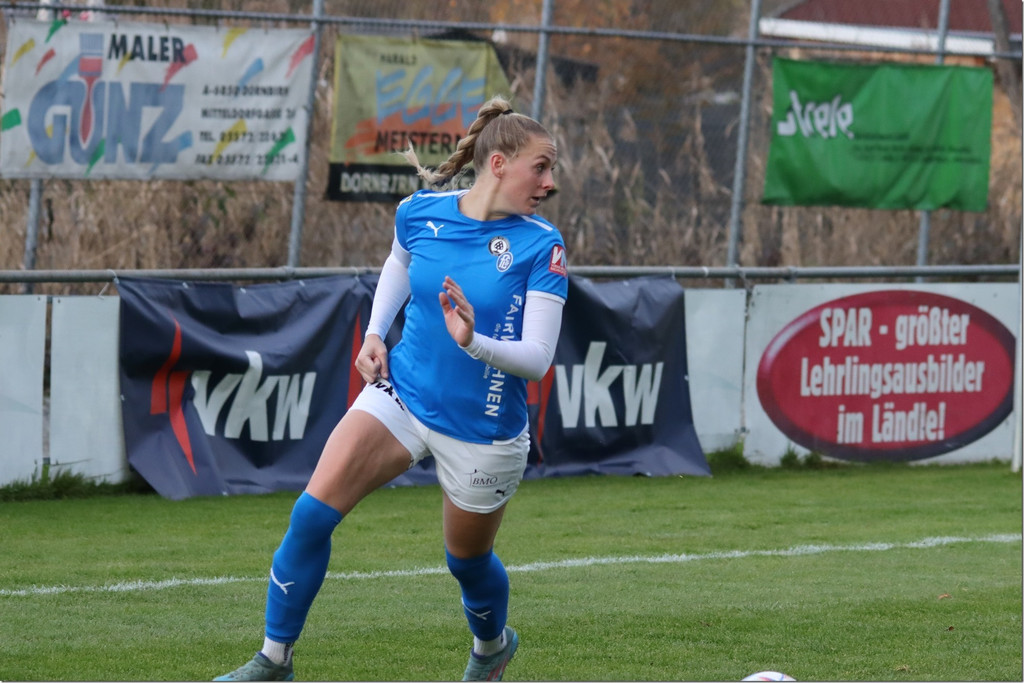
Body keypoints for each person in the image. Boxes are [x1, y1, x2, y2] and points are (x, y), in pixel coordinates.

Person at [214, 94, 568, 682]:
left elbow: (537, 358)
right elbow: (400, 263)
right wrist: (376, 332)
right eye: (542, 167)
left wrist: (474, 342)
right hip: (402, 393)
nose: (550, 182)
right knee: (310, 516)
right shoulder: (419, 212)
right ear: (498, 164)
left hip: (482, 429)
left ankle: (491, 647)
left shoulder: (541, 244)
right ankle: (274, 660)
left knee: (467, 561)